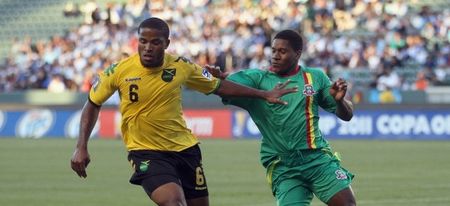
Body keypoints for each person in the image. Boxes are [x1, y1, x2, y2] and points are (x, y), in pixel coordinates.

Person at [70, 17, 297, 206]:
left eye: (155, 42)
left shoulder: (182, 66)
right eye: (143, 41)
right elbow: (92, 102)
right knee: (173, 203)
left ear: (166, 43)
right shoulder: (119, 71)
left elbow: (219, 86)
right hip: (146, 152)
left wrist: (263, 94)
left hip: (186, 150)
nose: (148, 47)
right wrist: (81, 146)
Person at [208, 30, 356, 206]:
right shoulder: (257, 78)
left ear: (298, 54)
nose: (276, 56)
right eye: (274, 51)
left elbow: (347, 115)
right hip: (284, 167)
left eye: (282, 51)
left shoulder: (315, 77)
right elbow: (222, 85)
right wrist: (215, 78)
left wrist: (340, 102)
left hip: (317, 159)